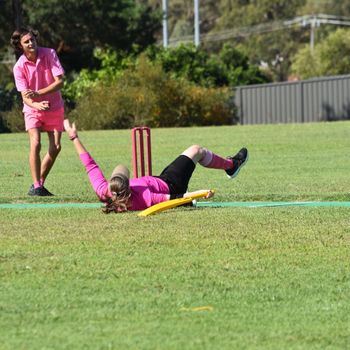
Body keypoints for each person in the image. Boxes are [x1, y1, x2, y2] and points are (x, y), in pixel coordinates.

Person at [64, 119, 249, 213]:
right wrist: (199, 194)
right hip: (172, 184)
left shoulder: (104, 190)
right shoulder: (145, 198)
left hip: (158, 180)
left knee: (194, 153)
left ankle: (230, 166)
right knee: (196, 150)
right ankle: (231, 165)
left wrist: (74, 137)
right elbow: (176, 197)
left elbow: (90, 165)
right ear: (128, 187)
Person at [11, 27, 65, 196]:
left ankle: (38, 184)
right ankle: (37, 185)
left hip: (54, 106)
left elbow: (60, 82)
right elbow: (25, 97)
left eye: (32, 39)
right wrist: (36, 105)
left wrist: (39, 94)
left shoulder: (49, 54)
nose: (30, 43)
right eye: (26, 41)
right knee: (35, 143)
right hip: (32, 109)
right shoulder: (19, 67)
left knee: (56, 147)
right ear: (20, 46)